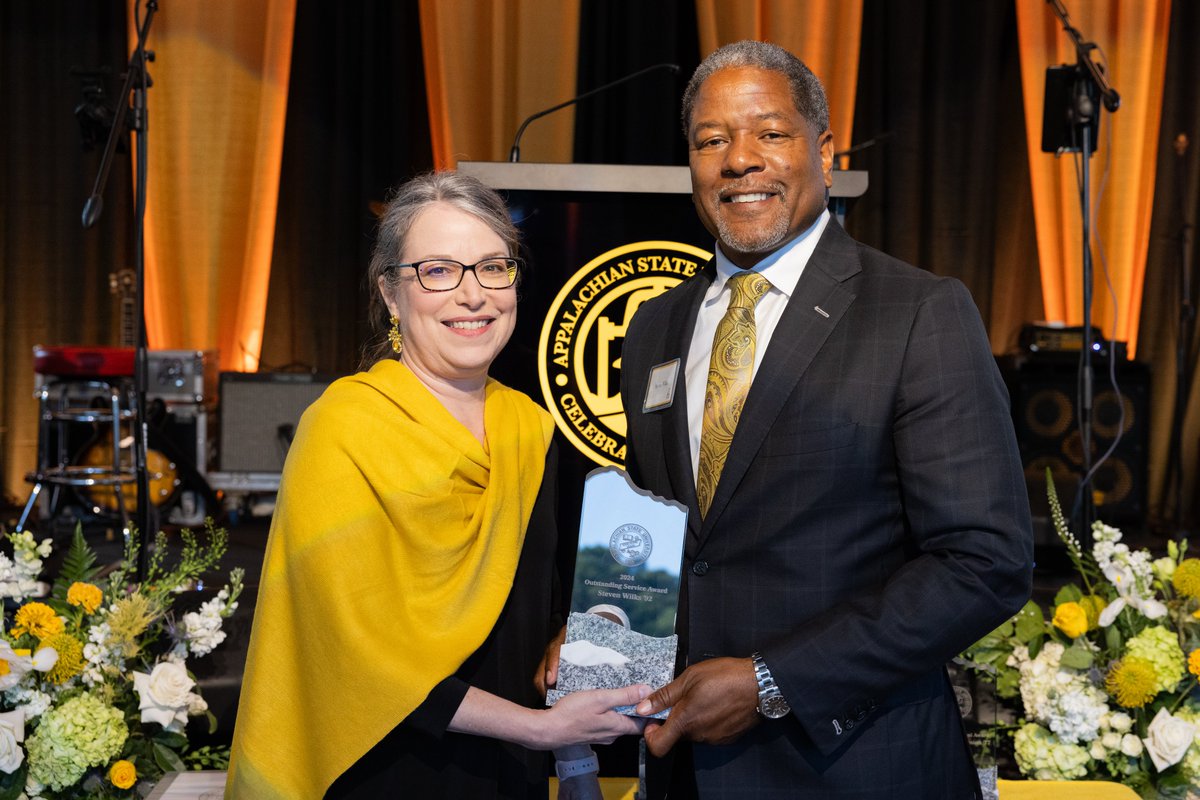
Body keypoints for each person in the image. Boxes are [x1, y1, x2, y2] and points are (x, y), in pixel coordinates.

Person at [617, 41, 1034, 798]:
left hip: (854, 766)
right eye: (711, 141)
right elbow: (662, 529)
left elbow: (984, 561)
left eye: (770, 133)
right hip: (681, 768)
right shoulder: (653, 328)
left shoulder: (917, 313)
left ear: (826, 153)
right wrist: (597, 626)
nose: (739, 160)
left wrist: (772, 681)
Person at [227, 171, 646, 800]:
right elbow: (353, 654)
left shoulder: (528, 429)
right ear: (392, 294)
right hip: (387, 767)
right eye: (439, 271)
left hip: (513, 774)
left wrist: (570, 641)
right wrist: (535, 728)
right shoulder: (343, 429)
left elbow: (544, 603)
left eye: (492, 268)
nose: (473, 295)